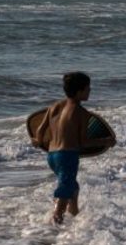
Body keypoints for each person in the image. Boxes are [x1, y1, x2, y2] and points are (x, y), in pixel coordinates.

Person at [34, 71, 115, 225]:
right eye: (88, 88)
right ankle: (55, 224)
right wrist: (106, 141)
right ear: (79, 92)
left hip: (52, 156)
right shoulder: (81, 113)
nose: (90, 91)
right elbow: (82, 143)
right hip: (67, 156)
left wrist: (39, 141)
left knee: (73, 188)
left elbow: (40, 130)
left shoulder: (54, 107)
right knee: (64, 190)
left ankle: (75, 215)